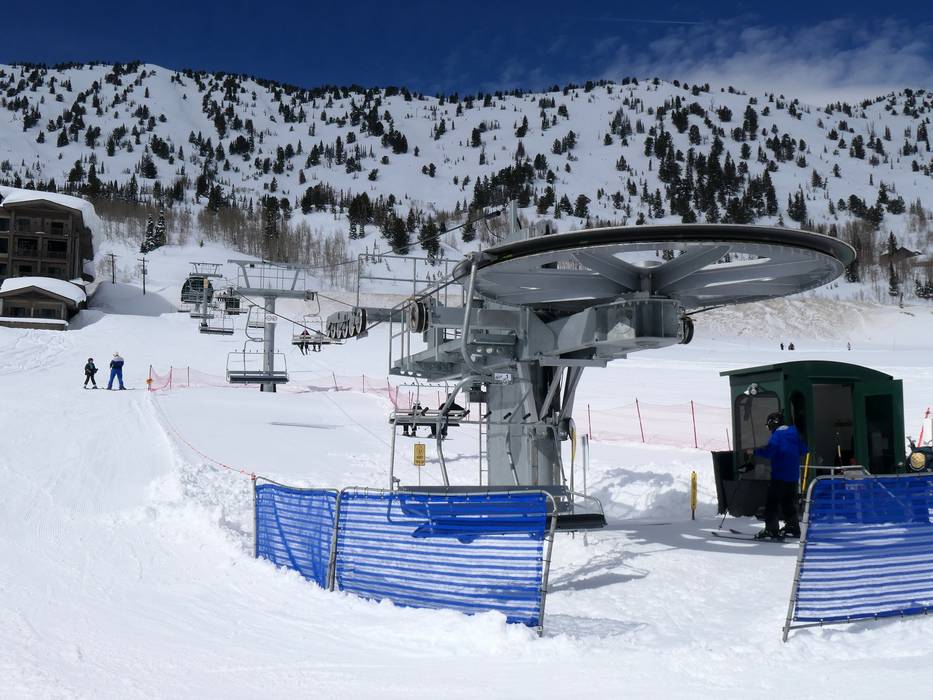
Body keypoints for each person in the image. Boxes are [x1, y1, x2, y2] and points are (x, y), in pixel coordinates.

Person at [754, 412, 807, 540]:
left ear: (773, 424)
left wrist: (755, 451)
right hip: (793, 477)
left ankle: (771, 530)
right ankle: (793, 527)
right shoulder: (794, 432)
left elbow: (769, 451)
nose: (769, 430)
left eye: (768, 426)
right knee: (788, 502)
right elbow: (804, 449)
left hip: (779, 476)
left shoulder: (777, 435)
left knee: (772, 503)